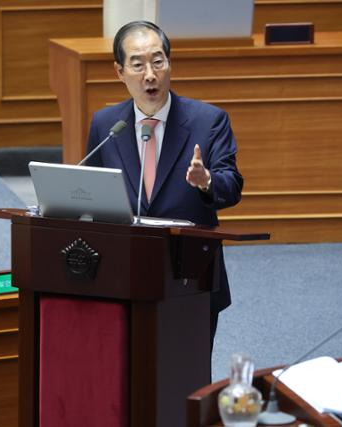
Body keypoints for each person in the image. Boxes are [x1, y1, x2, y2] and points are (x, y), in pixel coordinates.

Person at [85, 21, 243, 349]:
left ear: (170, 64)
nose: (150, 74)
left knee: (186, 373)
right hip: (123, 270)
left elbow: (231, 188)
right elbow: (91, 189)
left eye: (158, 61)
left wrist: (206, 181)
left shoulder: (209, 121)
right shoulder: (106, 125)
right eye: (138, 64)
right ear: (119, 71)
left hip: (191, 274)